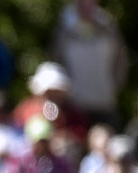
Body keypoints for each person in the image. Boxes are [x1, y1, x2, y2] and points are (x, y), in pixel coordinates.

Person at [51, 0, 128, 128]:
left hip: (105, 103)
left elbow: (121, 59)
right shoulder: (64, 30)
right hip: (75, 106)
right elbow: (56, 64)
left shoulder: (109, 27)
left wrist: (114, 87)